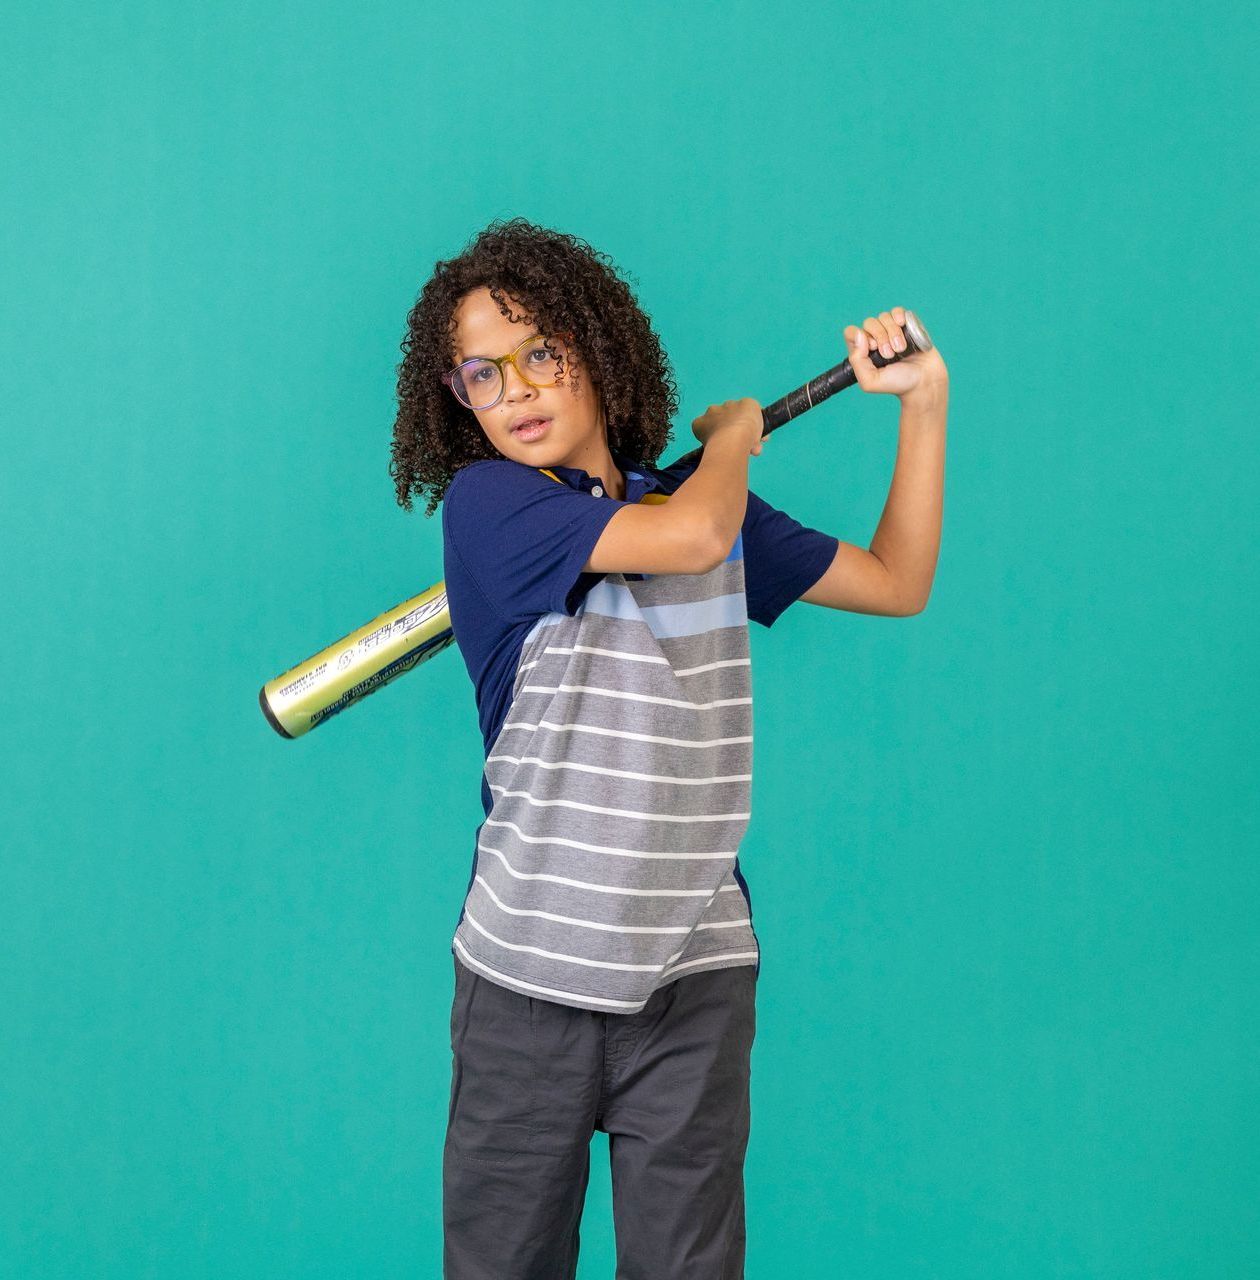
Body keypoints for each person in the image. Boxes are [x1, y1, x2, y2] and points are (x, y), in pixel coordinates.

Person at [389, 217, 949, 1279]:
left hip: (694, 977)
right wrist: (732, 436)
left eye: (541, 351)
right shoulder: (492, 506)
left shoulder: (708, 508)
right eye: (482, 373)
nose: (516, 390)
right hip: (528, 980)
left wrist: (924, 405)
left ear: (597, 347)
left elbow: (898, 580)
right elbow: (689, 539)